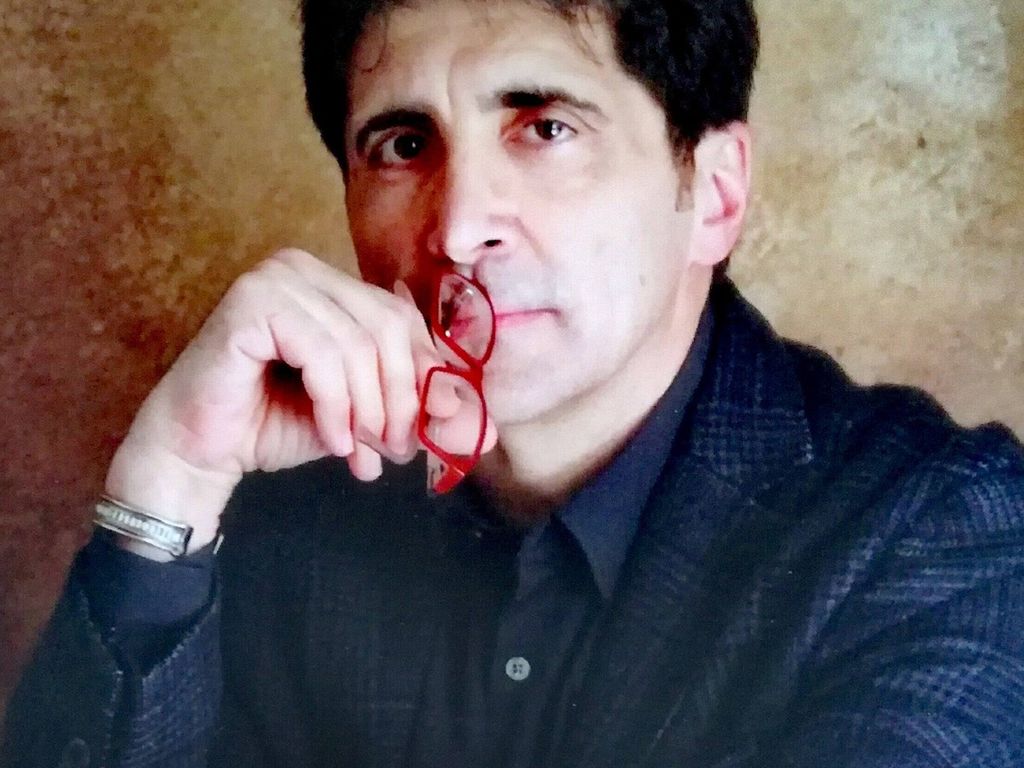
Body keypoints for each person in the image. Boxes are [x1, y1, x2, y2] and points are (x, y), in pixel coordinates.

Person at [4, 0, 1023, 765]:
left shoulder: (941, 532)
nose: (455, 229)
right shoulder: (269, 512)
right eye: (404, 145)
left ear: (713, 194)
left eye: (545, 128)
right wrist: (171, 486)